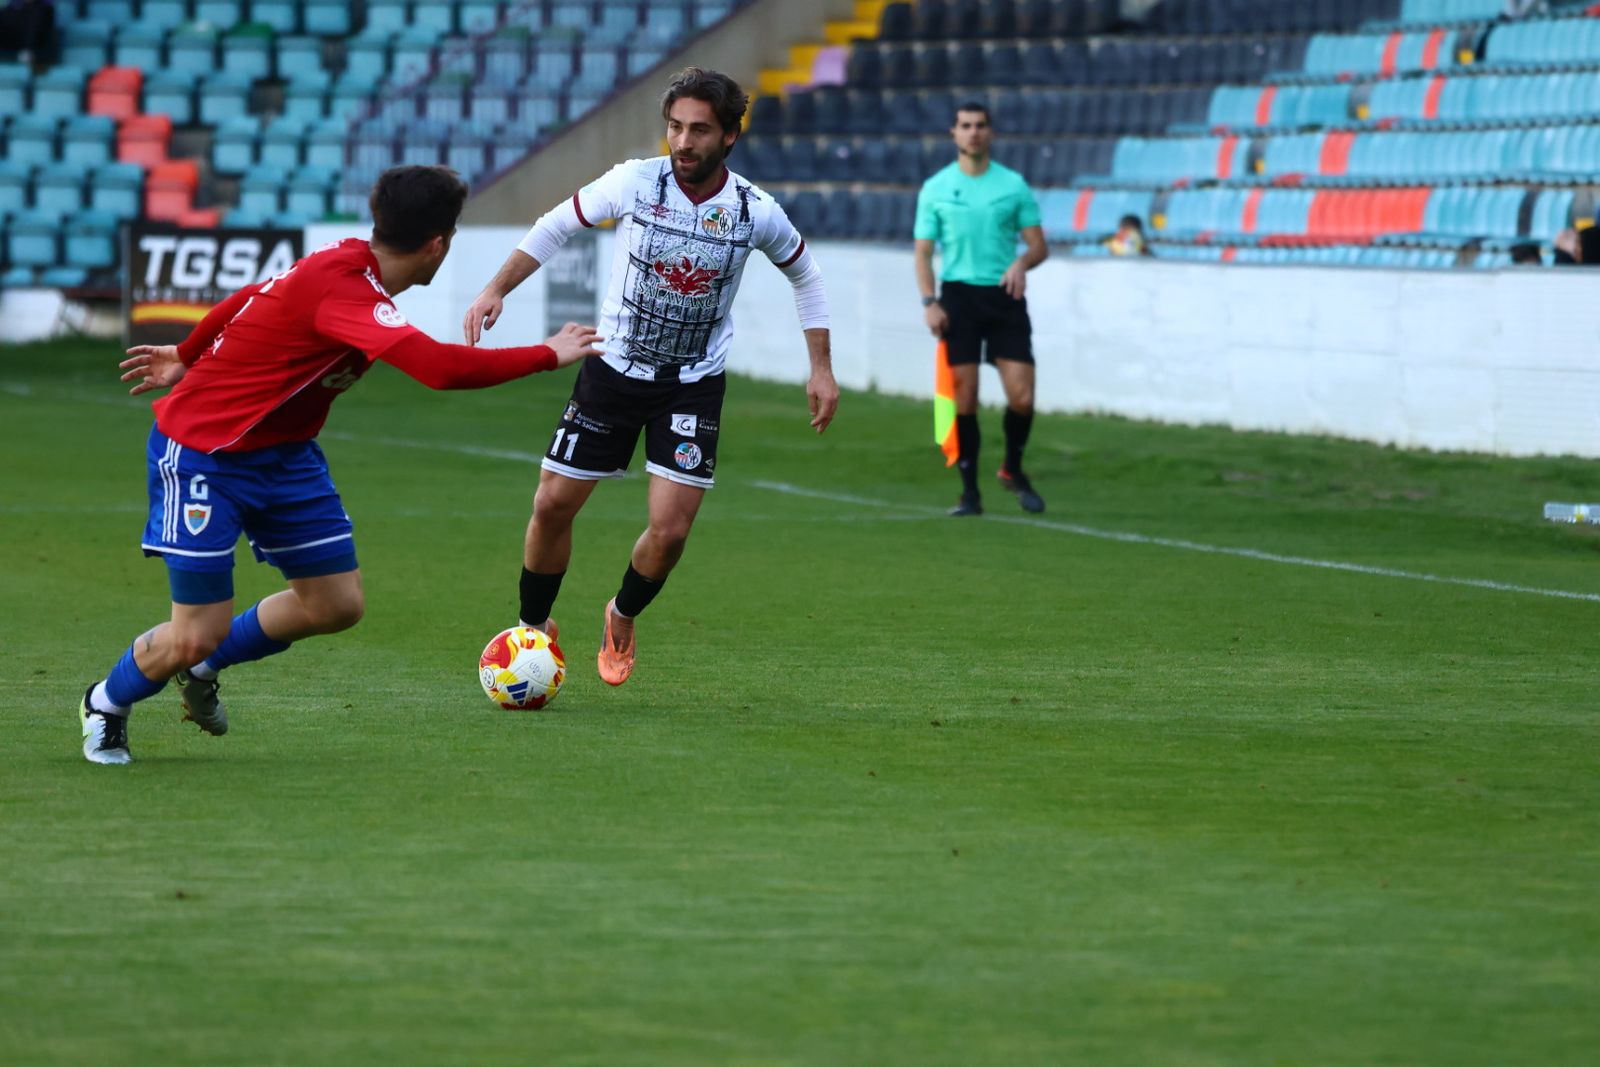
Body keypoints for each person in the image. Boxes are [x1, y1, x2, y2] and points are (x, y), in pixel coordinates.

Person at [78, 165, 602, 765]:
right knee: (197, 626)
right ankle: (106, 703)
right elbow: (439, 369)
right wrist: (546, 353)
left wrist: (186, 352)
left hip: (287, 456)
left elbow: (254, 294)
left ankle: (204, 664)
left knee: (335, 605)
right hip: (205, 454)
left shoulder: (348, 260)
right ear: (438, 244)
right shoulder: (348, 289)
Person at [463, 66, 837, 688]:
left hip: (692, 383)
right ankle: (533, 629)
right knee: (552, 504)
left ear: (729, 137)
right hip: (613, 370)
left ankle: (622, 612)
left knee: (669, 533)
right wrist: (496, 288)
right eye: (674, 127)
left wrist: (820, 368)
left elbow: (808, 276)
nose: (683, 142)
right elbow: (558, 223)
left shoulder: (752, 210)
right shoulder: (635, 181)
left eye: (699, 130)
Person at [914, 100, 1049, 517]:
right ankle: (970, 493)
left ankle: (1012, 468)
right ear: (953, 134)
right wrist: (930, 302)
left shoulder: (1013, 185)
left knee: (1022, 397)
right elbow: (922, 254)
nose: (973, 132)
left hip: (1004, 297)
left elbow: (1039, 245)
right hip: (958, 298)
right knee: (964, 397)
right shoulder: (936, 188)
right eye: (966, 126)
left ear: (991, 133)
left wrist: (1021, 262)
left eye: (981, 125)